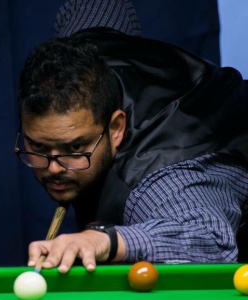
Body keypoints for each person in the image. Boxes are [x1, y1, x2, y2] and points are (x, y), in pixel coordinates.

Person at [18, 4, 248, 273]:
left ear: (116, 128)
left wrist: (108, 241)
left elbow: (211, 239)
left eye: (75, 147)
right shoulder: (85, 54)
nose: (54, 167)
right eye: (39, 146)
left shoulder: (158, 178)